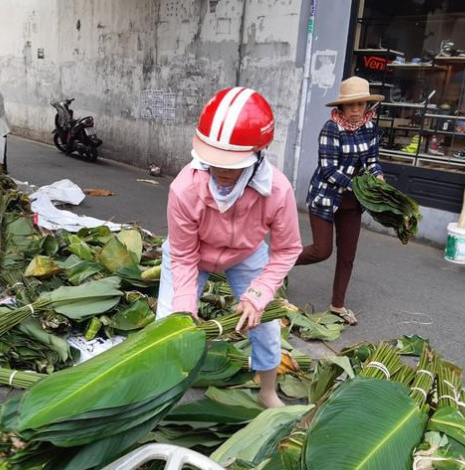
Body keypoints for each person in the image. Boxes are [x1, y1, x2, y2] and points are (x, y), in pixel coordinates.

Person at [156, 87, 302, 408]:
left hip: (246, 253)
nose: (221, 171)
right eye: (214, 161)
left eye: (232, 163)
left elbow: (287, 249)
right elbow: (182, 254)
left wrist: (260, 293)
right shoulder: (184, 188)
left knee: (263, 323)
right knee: (169, 323)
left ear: (260, 151)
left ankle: (267, 392)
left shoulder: (277, 190)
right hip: (191, 255)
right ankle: (163, 393)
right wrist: (184, 306)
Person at [295, 76, 385, 326]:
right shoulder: (331, 128)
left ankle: (337, 305)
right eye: (351, 105)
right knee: (321, 251)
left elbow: (373, 160)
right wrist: (359, 184)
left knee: (347, 255)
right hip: (326, 196)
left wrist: (377, 175)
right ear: (342, 107)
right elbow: (328, 170)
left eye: (361, 104)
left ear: (367, 105)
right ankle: (277, 266)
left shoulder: (370, 128)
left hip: (352, 202)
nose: (356, 110)